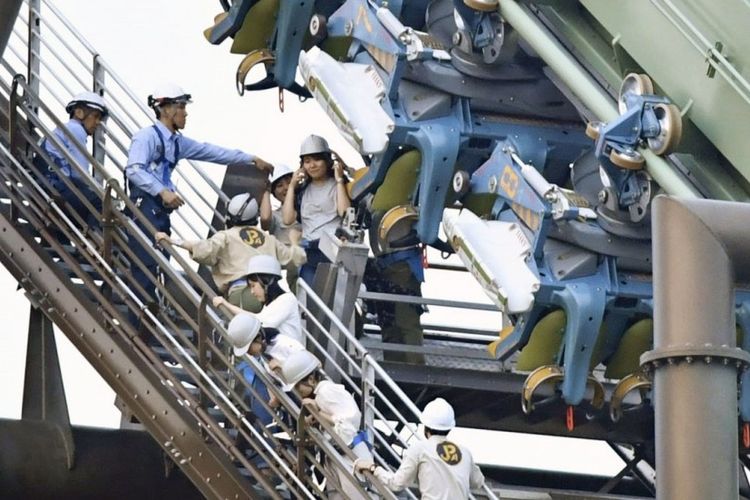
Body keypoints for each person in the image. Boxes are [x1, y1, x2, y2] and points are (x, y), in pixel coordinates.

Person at [124, 83, 273, 314]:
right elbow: (134, 169)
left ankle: (151, 310)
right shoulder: (146, 137)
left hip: (160, 209)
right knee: (146, 259)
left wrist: (250, 159)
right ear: (166, 109)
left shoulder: (176, 141)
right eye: (181, 107)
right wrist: (161, 191)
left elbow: (211, 151)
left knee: (161, 259)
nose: (185, 113)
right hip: (145, 204)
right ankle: (140, 312)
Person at [155, 193, 305, 313]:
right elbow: (295, 258)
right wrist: (294, 242)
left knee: (237, 339)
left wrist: (173, 241)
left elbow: (204, 249)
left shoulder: (226, 236)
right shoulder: (268, 239)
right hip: (270, 295)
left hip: (241, 294)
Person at [281, 350, 373, 500]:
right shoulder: (321, 394)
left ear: (311, 379)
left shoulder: (325, 392)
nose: (299, 392)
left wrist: (318, 413)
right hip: (337, 454)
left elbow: (349, 423)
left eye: (298, 386)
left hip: (350, 455)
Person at [354, 398, 485, 500]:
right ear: (450, 428)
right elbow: (478, 482)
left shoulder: (420, 449)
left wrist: (373, 468)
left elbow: (396, 484)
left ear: (425, 427)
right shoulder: (465, 452)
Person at [226, 313, 304, 468]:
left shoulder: (285, 345)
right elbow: (271, 380)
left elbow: (314, 366)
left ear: (258, 338)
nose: (248, 353)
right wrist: (274, 399)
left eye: (249, 347)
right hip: (288, 401)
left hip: (303, 399)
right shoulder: (261, 354)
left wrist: (284, 367)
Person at [282, 135, 351, 285]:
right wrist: (292, 185)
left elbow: (344, 212)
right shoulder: (303, 191)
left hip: (333, 247)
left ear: (327, 161)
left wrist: (339, 181)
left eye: (316, 160)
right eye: (307, 161)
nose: (312, 165)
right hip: (310, 250)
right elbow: (287, 219)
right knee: (310, 298)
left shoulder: (336, 185)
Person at [39, 91, 109, 233]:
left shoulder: (65, 129)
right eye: (95, 116)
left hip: (49, 182)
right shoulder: (76, 129)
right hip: (56, 185)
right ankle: (94, 243)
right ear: (79, 113)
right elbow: (79, 173)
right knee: (100, 204)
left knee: (88, 203)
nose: (97, 123)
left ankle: (88, 241)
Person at [214, 254, 304, 344]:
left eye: (253, 286)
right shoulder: (271, 305)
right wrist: (226, 304)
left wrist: (227, 305)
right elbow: (256, 318)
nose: (252, 292)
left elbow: (259, 323)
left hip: (289, 356)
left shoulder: (287, 300)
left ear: (266, 281)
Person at [260, 164, 302, 291]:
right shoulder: (276, 216)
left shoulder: (307, 207)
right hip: (293, 265)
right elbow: (265, 220)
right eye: (279, 186)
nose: (285, 188)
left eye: (289, 182)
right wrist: (266, 192)